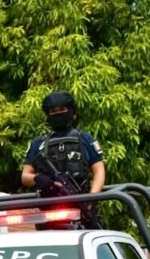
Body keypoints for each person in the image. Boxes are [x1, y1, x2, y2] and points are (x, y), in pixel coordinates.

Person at [21, 90, 106, 226]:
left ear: (71, 111)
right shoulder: (39, 143)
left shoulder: (84, 139)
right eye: (53, 111)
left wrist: (91, 198)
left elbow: (99, 171)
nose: (58, 114)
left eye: (62, 109)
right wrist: (38, 179)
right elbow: (25, 176)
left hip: (81, 207)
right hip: (49, 212)